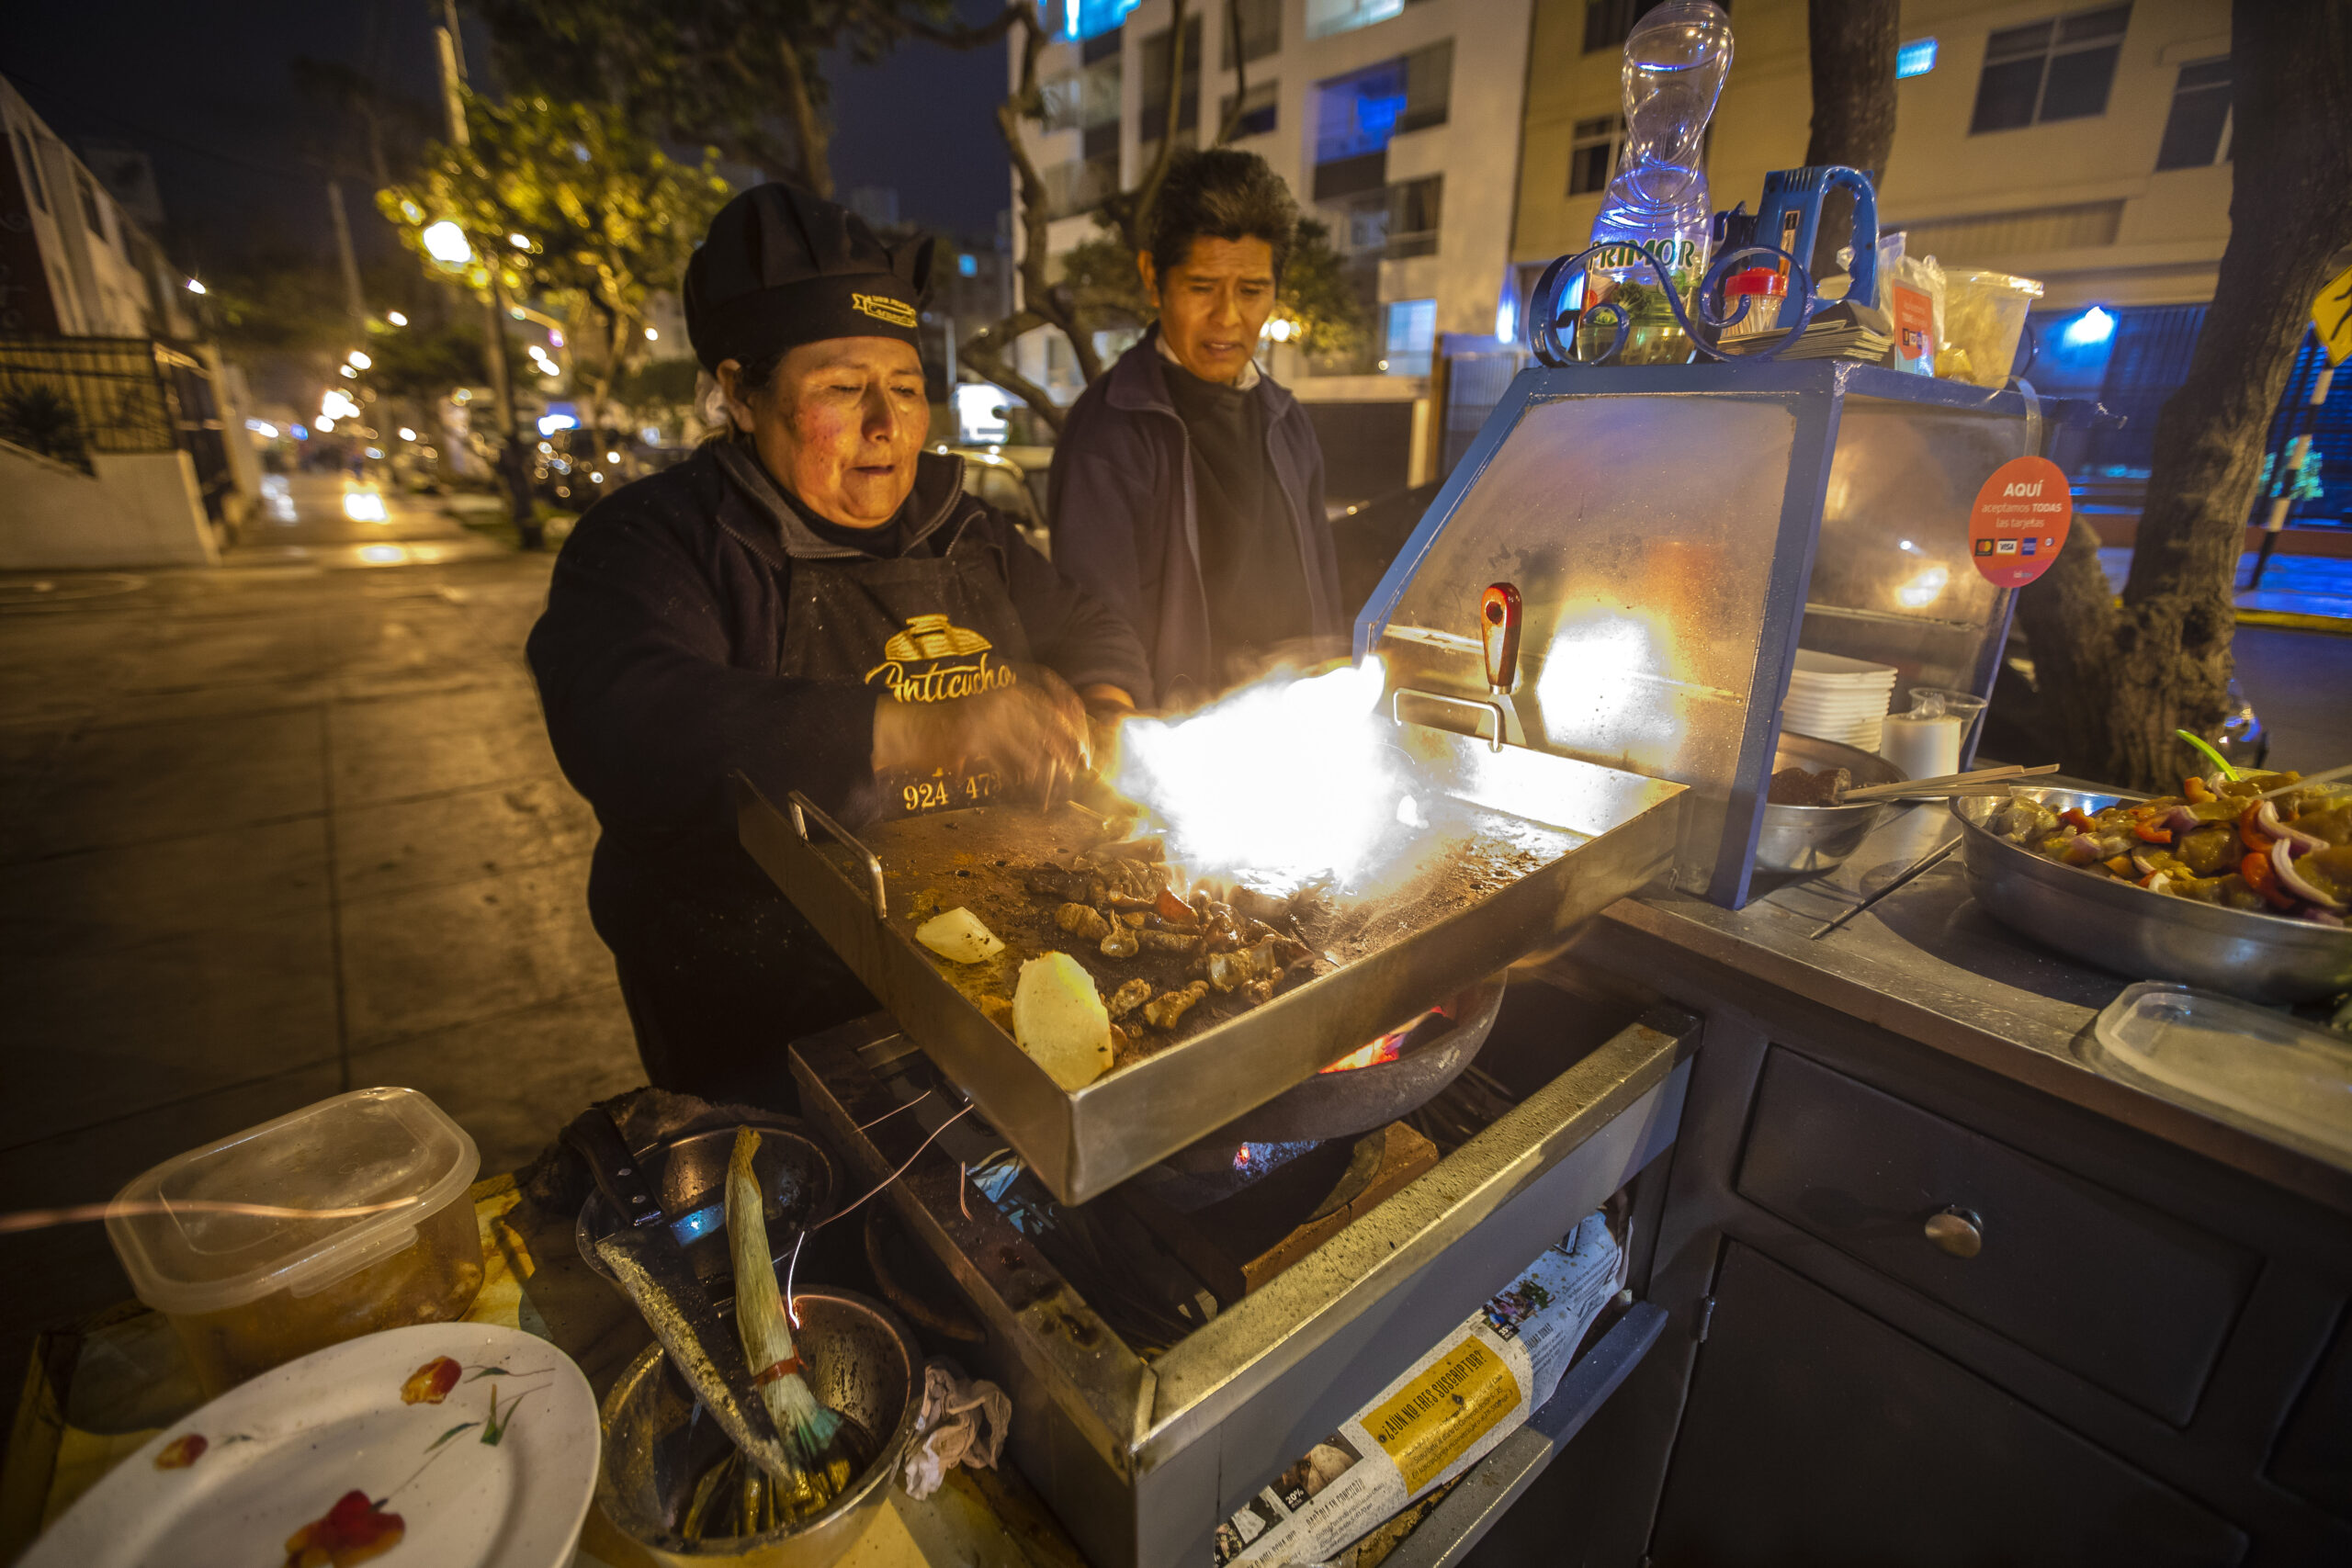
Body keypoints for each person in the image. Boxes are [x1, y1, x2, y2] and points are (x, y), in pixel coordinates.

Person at [526, 184, 1148, 1107]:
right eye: (843, 390)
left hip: (995, 985)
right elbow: (627, 722)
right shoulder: (658, 540)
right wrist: (924, 729)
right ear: (740, 394)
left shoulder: (963, 527)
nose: (887, 426)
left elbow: (1091, 627)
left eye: (907, 389)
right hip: (770, 1022)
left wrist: (1103, 713)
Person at [1048, 149, 1345, 708]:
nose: (1227, 317)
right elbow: (1095, 634)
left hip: (1296, 733)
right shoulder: (1109, 432)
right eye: (1202, 286)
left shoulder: (1287, 421)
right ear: (1153, 279)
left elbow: (1325, 596)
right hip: (1176, 741)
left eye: (1251, 290)